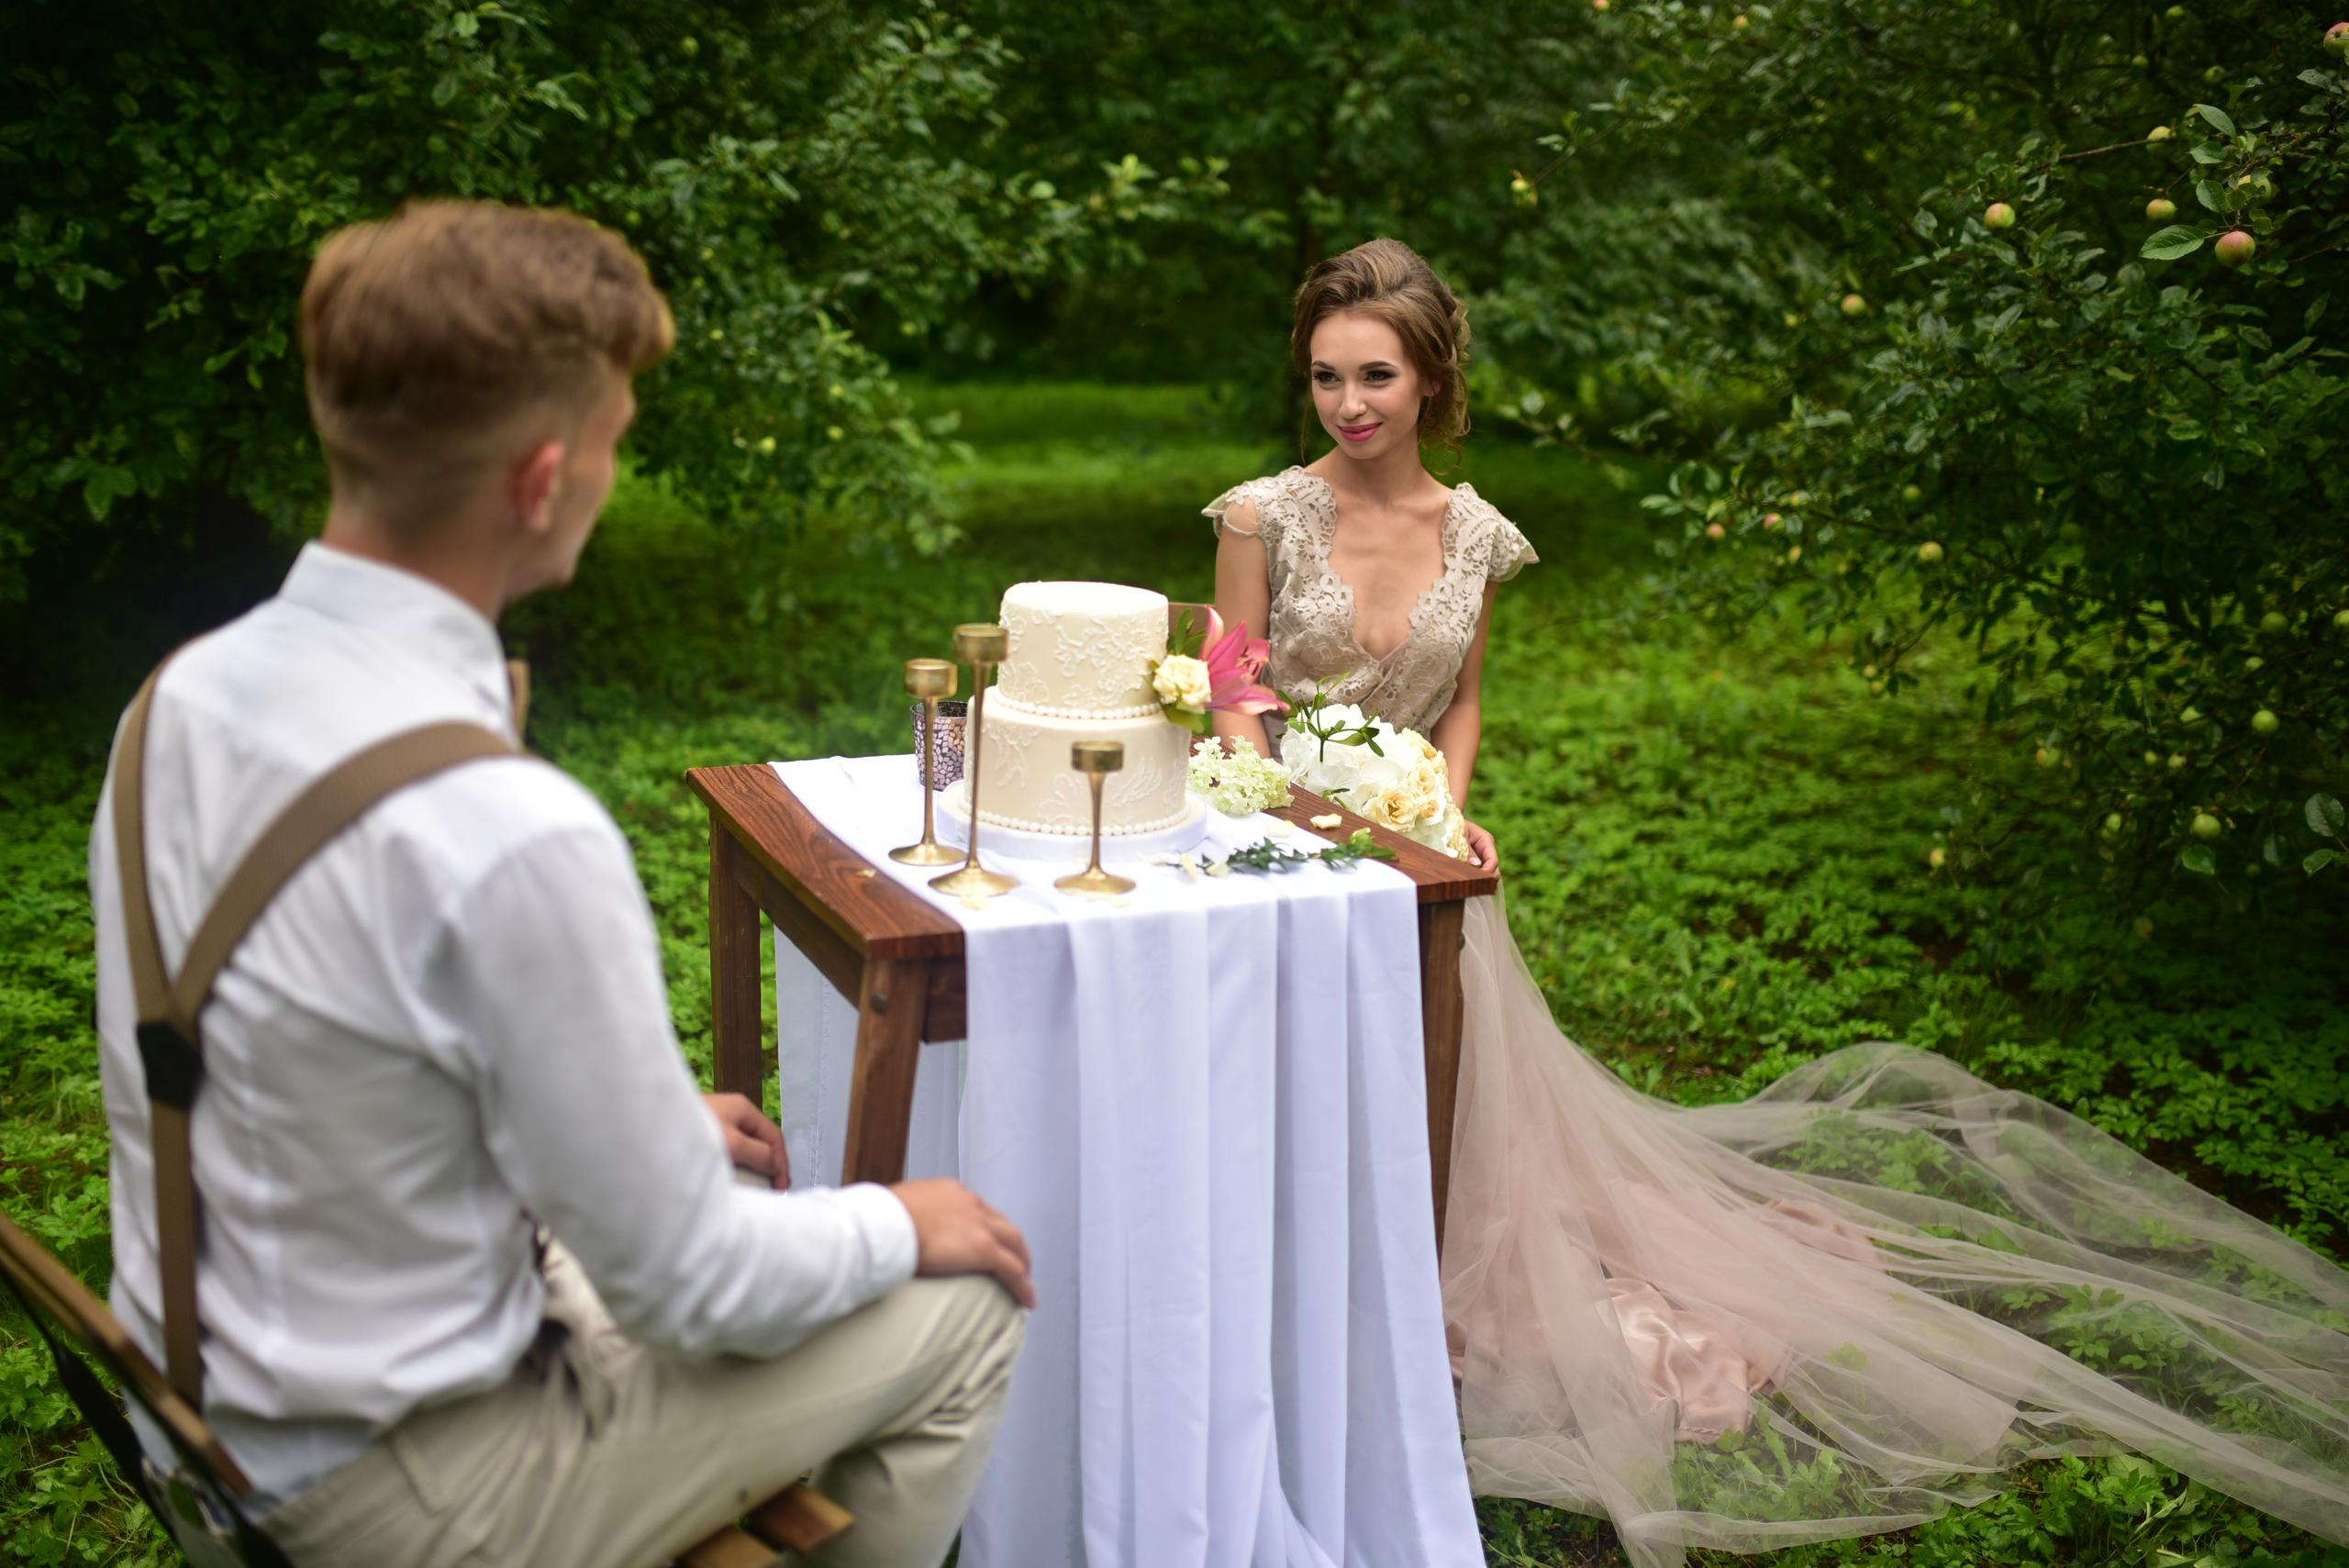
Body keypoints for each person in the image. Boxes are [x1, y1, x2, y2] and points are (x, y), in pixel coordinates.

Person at [1207, 236, 2349, 1567]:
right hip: (1281, 840)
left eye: (1377, 376)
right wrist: (1311, 814)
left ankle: (1401, 1273)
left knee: (1440, 1087)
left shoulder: (1479, 535)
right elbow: (1236, 684)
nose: (1350, 405)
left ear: (1432, 377)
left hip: (1432, 856)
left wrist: (1439, 813)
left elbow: (1457, 702)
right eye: (1328, 379)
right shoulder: (1261, 515)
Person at [87, 201, 1031, 1568]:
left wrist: (624, 1125)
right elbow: (694, 1283)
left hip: (203, 1410)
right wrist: (900, 1213)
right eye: (613, 437)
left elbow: (312, 1050)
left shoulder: (175, 700)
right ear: (542, 480)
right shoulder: (505, 825)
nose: (608, 467)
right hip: (389, 1495)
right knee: (963, 1310)